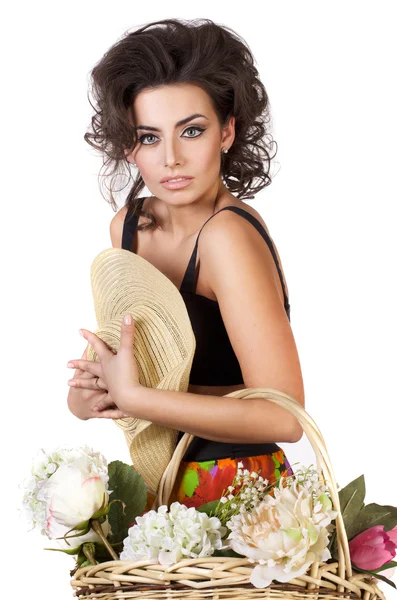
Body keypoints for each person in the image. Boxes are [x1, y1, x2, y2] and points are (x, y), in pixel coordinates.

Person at [67, 18, 305, 511]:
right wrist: (89, 397)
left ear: (227, 131)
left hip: (240, 488)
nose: (171, 158)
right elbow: (136, 366)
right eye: (149, 138)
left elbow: (286, 418)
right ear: (128, 145)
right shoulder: (128, 227)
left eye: (191, 131)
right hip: (160, 478)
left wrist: (136, 400)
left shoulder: (227, 238)